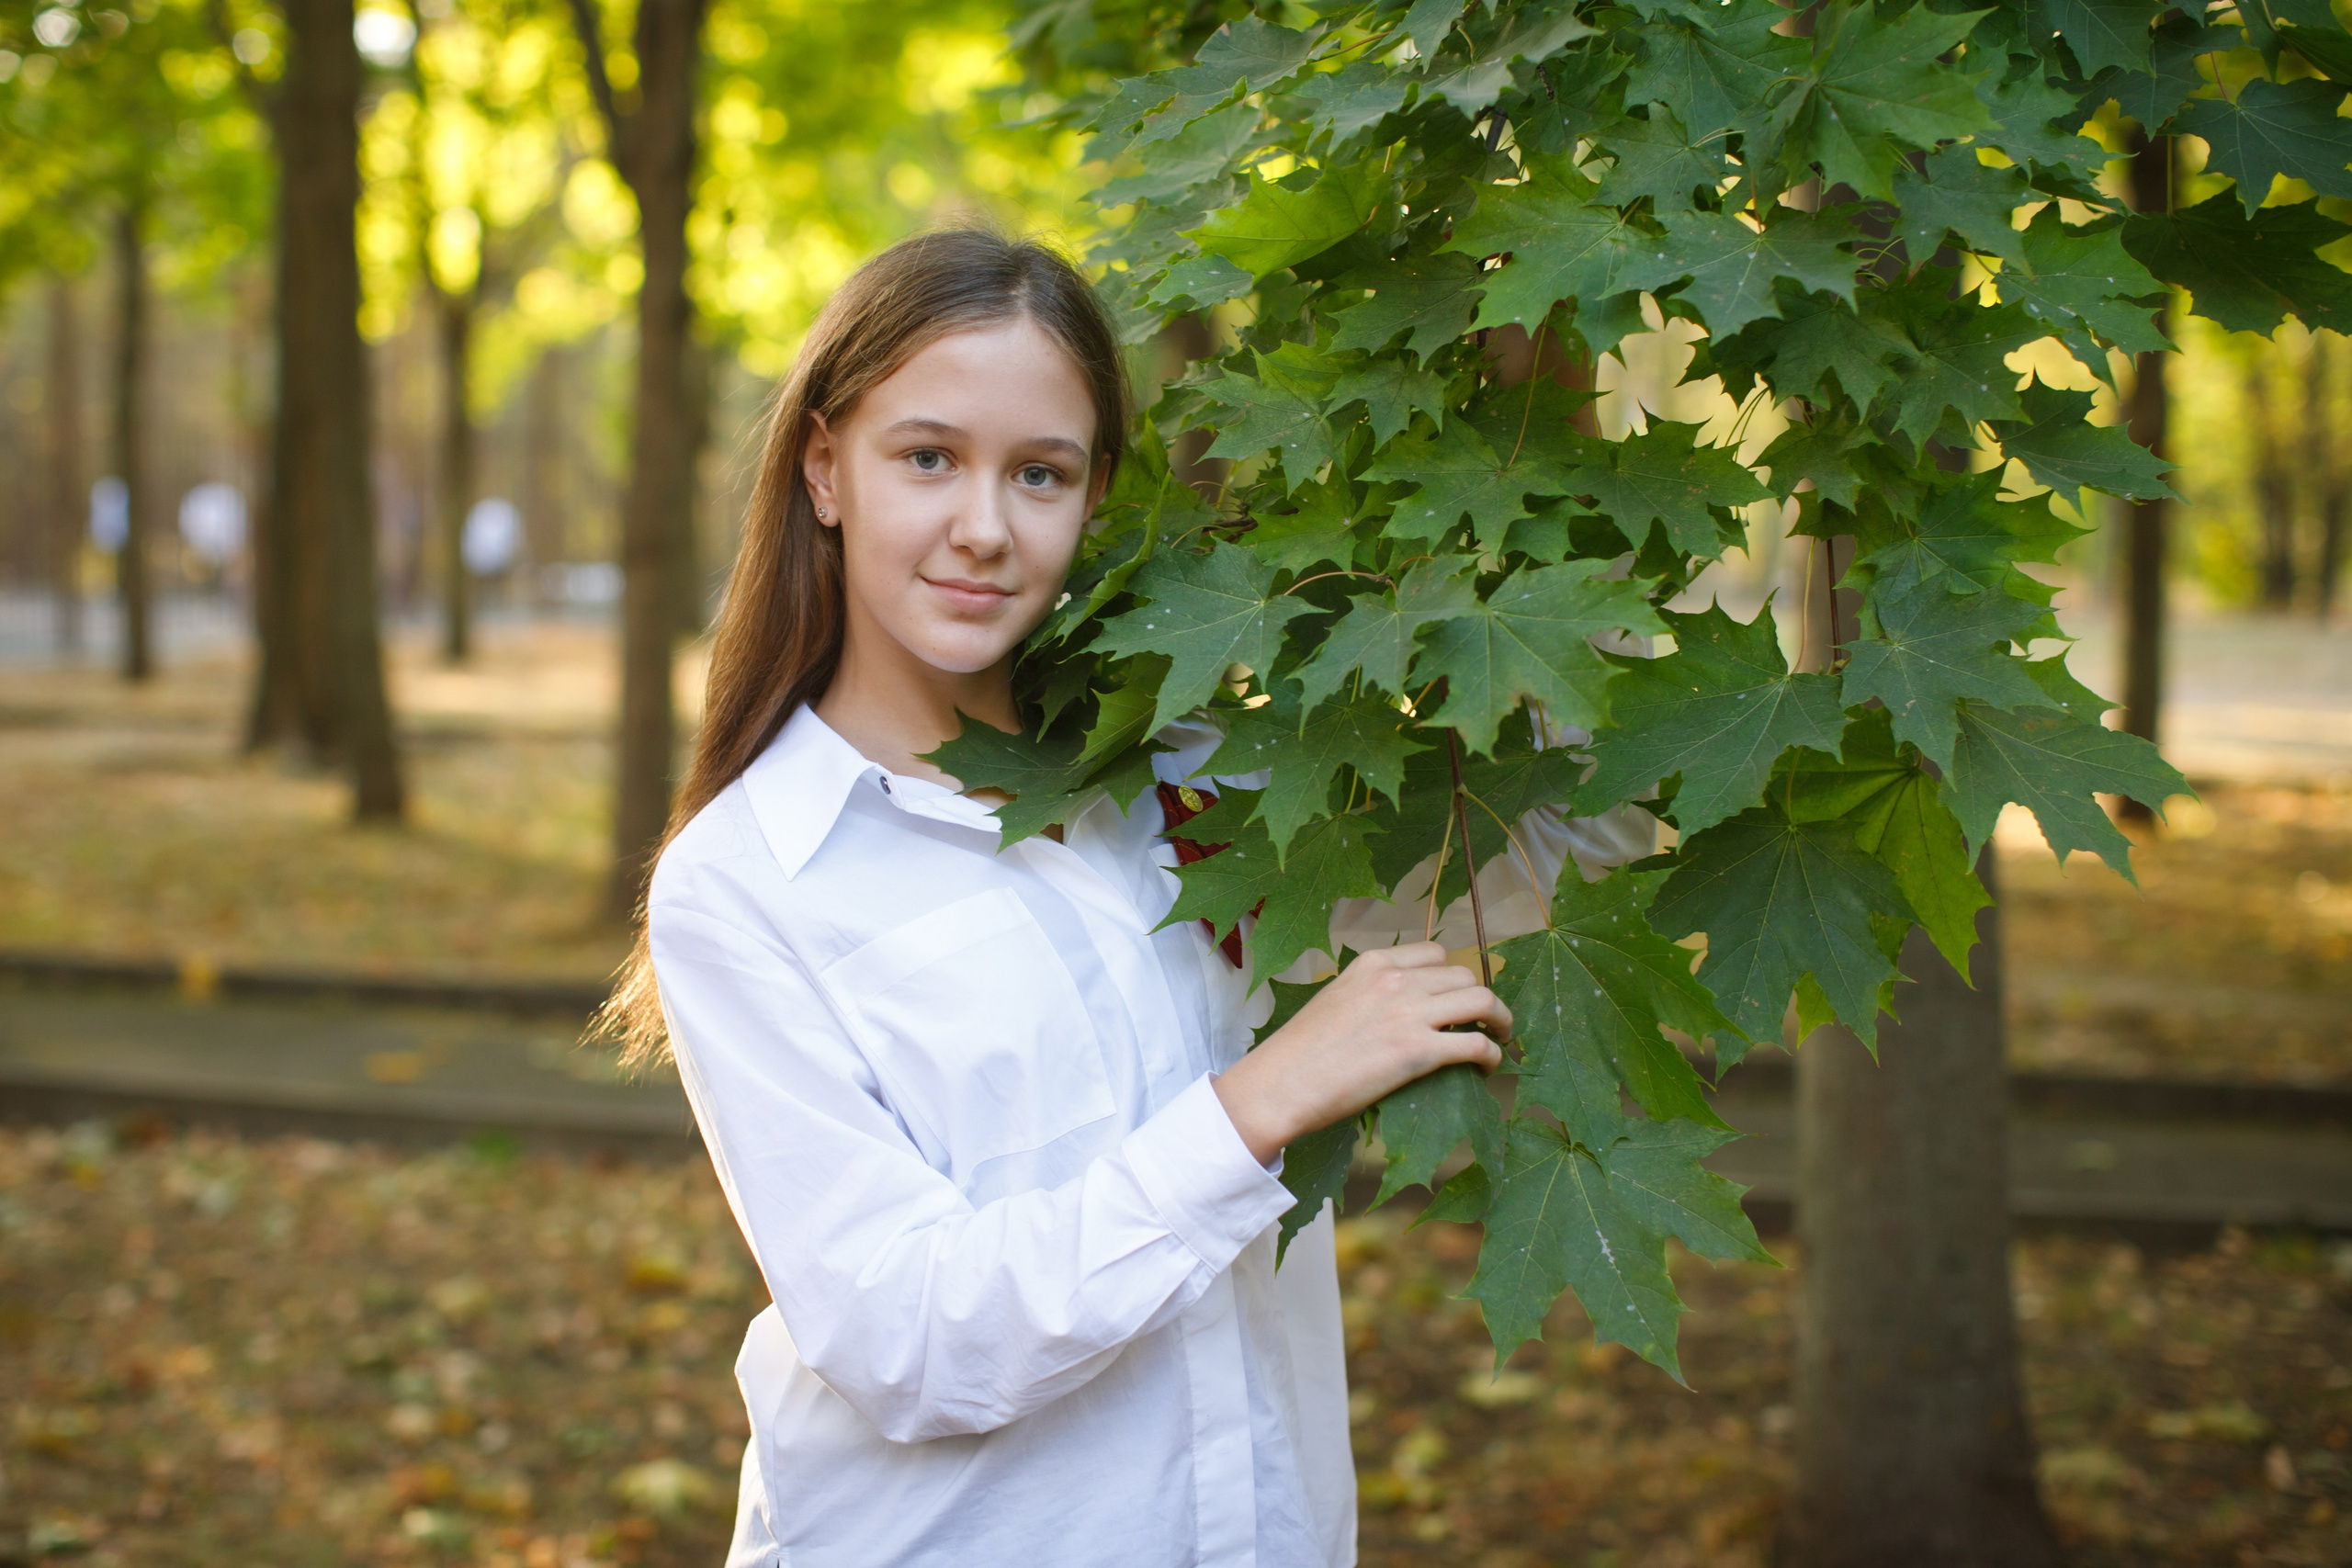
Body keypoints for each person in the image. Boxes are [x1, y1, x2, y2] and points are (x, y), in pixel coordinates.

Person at [604, 227, 1513, 1567]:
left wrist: (1537, 432)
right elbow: (906, 1339)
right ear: (824, 468)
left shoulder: (1194, 773)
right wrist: (1256, 1106)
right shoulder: (744, 885)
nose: (985, 526)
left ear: (1095, 501)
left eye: (1040, 472)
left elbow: (1546, 856)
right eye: (929, 458)